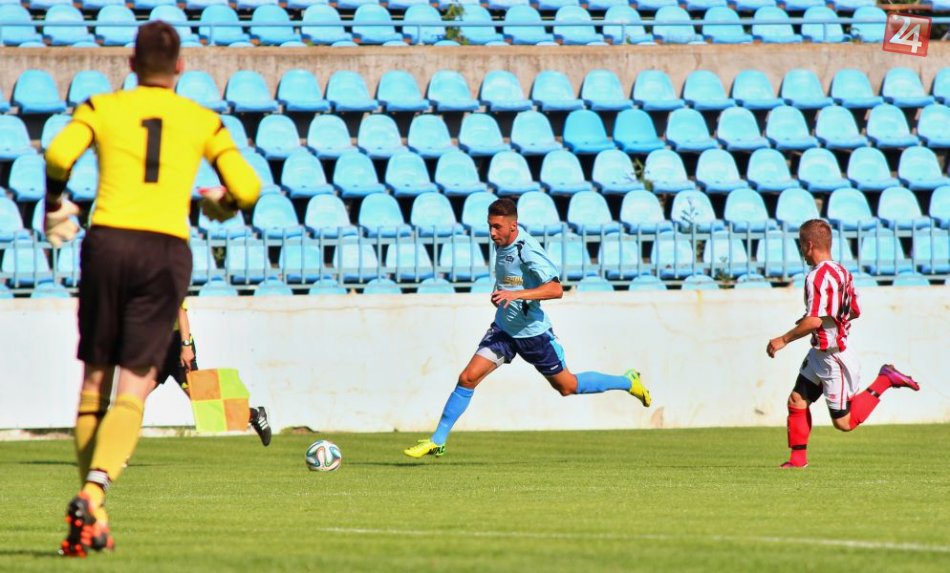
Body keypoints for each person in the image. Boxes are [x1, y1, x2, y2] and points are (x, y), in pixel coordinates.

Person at [45, 21, 261, 557]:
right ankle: (93, 496)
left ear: (131, 64)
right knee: (134, 387)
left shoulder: (101, 107)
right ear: (181, 67)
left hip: (108, 244)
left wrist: (53, 203)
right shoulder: (201, 119)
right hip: (164, 251)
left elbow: (58, 156)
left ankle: (93, 513)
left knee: (95, 382)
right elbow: (248, 188)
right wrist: (224, 204)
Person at [403, 198, 651, 458]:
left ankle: (628, 382)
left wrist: (516, 295)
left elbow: (556, 289)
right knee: (467, 378)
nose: (492, 233)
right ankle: (438, 440)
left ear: (513, 226)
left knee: (567, 386)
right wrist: (501, 293)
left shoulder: (527, 249)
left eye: (497, 227)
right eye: (490, 226)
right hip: (504, 330)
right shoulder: (501, 244)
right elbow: (511, 278)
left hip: (534, 334)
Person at [766, 219, 920, 469]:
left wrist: (783, 339)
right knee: (796, 400)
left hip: (833, 357)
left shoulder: (816, 277)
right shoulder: (843, 273)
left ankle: (885, 379)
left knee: (844, 423)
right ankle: (797, 461)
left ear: (809, 245)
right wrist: (824, 320)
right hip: (820, 352)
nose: (801, 251)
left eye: (801, 245)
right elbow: (854, 311)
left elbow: (815, 320)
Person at [150, 301, 271, 446]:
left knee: (206, 404)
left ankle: (255, 414)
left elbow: (181, 311)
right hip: (155, 347)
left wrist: (186, 346)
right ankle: (125, 449)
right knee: (134, 397)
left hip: (177, 346)